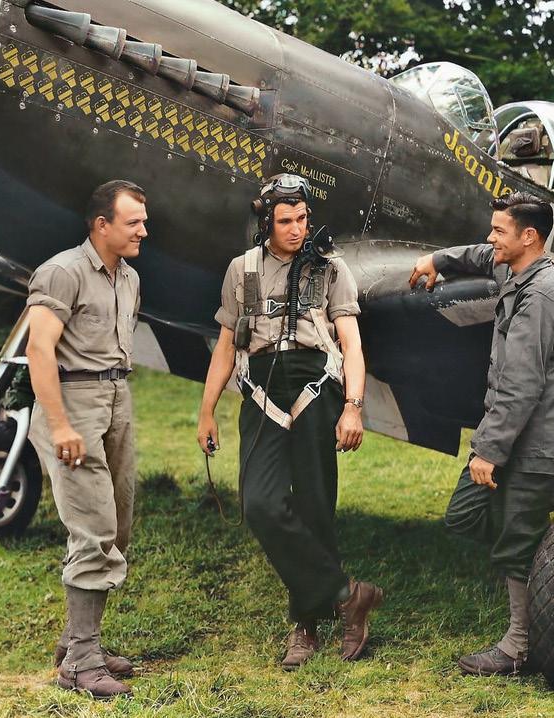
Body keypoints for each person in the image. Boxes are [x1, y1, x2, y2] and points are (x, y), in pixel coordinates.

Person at [196, 173, 383, 670]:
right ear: (266, 223)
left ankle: (306, 625)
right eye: (285, 221)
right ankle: (348, 596)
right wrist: (206, 410)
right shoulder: (241, 270)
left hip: (315, 389)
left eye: (302, 219)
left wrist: (353, 405)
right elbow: (225, 346)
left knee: (316, 507)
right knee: (259, 504)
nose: (297, 229)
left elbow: (351, 344)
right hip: (260, 392)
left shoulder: (330, 268)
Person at [408, 191, 554, 676]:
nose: (490, 238)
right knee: (463, 515)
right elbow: (480, 255)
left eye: (499, 230)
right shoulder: (514, 266)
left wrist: (488, 450)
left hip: (531, 435)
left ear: (529, 237)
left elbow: (522, 385)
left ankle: (519, 648)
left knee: (515, 545)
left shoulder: (542, 294)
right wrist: (438, 260)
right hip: (508, 429)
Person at [26, 180, 147, 698]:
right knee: (93, 529)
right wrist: (59, 426)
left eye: (143, 221)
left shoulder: (130, 277)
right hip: (72, 403)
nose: (143, 231)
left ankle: (76, 643)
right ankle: (80, 663)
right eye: (133, 222)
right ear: (102, 225)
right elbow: (38, 349)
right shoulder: (62, 271)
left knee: (117, 526)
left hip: (117, 398)